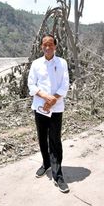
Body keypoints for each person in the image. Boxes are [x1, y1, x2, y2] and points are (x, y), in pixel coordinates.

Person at [27, 34, 70, 193]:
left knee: (55, 140)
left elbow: (65, 84)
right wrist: (45, 97)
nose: (47, 47)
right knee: (42, 137)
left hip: (56, 108)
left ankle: (58, 175)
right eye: (44, 45)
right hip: (40, 106)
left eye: (50, 44)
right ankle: (46, 163)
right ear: (41, 47)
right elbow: (31, 84)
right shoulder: (36, 64)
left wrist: (54, 99)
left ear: (55, 46)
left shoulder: (62, 63)